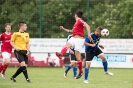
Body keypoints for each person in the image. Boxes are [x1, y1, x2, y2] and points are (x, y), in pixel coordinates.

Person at [56, 10, 93, 79]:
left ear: (76, 15)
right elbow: (72, 31)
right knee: (67, 45)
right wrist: (63, 28)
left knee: (78, 57)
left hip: (79, 40)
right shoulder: (76, 23)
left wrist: (89, 35)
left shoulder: (80, 20)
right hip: (74, 38)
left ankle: (81, 71)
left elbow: (88, 26)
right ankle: (61, 54)